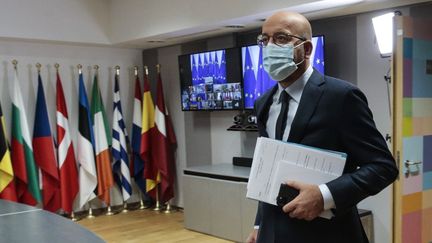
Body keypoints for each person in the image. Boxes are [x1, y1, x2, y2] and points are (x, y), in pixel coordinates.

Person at [246, 11, 398, 243]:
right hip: (273, 231)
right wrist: (259, 224)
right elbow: (269, 169)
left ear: (306, 49)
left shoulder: (341, 97)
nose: (269, 47)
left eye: (281, 38)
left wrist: (324, 196)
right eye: (264, 40)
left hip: (327, 234)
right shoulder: (264, 103)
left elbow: (383, 167)